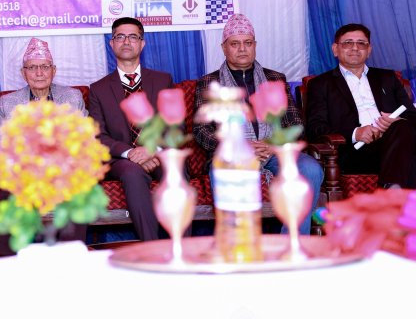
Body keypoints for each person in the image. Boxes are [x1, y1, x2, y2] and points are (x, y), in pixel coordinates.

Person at [194, 13, 323, 235]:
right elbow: (201, 130)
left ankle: (292, 242)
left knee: (310, 169)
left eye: (248, 43)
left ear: (255, 45)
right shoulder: (209, 82)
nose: (242, 49)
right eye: (235, 44)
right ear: (224, 48)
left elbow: (295, 123)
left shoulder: (275, 79)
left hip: (275, 152)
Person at [0, 38, 87, 255]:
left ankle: (70, 259)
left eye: (44, 67)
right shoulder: (9, 103)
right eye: (32, 67)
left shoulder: (72, 98)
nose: (39, 73)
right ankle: (11, 262)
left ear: (54, 70)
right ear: (23, 73)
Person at [88, 17, 173, 241]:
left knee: (175, 169)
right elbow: (98, 136)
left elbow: (174, 125)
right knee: (132, 173)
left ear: (142, 44)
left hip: (158, 152)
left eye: (133, 36)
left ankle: (180, 248)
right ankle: (152, 248)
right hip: (122, 159)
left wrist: (150, 149)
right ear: (112, 43)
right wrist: (131, 153)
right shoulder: (98, 89)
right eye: (120, 36)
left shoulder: (162, 80)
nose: (126, 41)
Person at [306, 23, 416, 188]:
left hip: (396, 141)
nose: (355, 48)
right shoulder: (320, 84)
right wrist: (355, 133)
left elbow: (412, 116)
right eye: (348, 43)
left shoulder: (387, 78)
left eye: (361, 43)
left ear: (369, 50)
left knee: (402, 128)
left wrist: (397, 121)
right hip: (355, 150)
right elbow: (315, 128)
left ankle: (392, 189)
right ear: (335, 49)